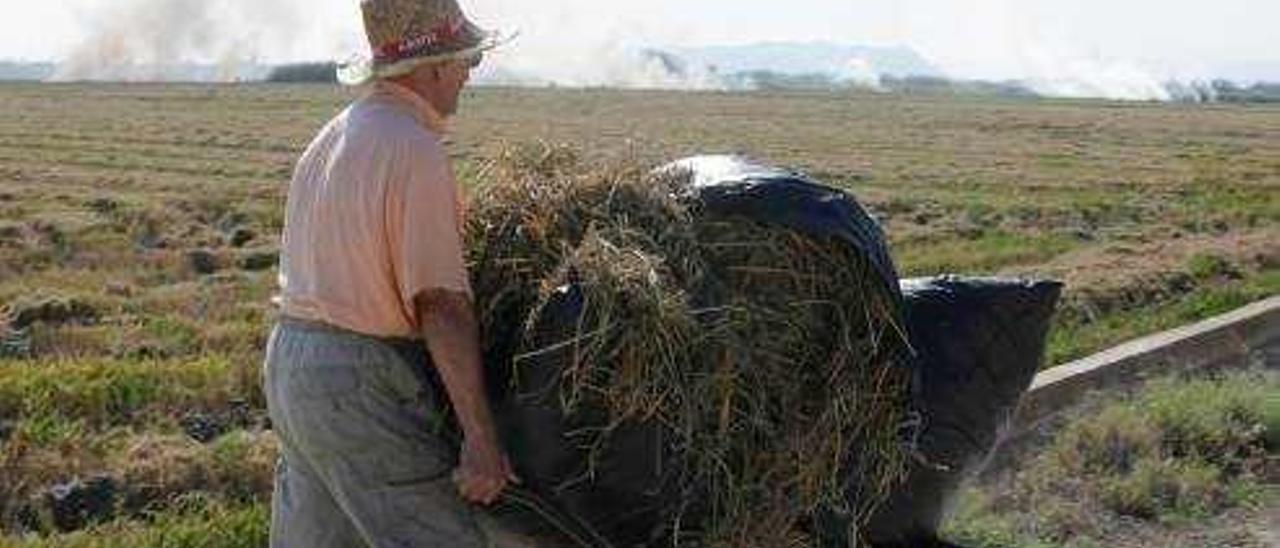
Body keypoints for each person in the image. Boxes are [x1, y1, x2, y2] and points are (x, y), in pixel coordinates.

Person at [263, 0, 513, 545]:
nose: (471, 71)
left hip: (290, 363)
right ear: (432, 66)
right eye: (464, 57)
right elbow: (440, 304)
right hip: (357, 382)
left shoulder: (332, 136)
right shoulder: (415, 151)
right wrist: (480, 438)